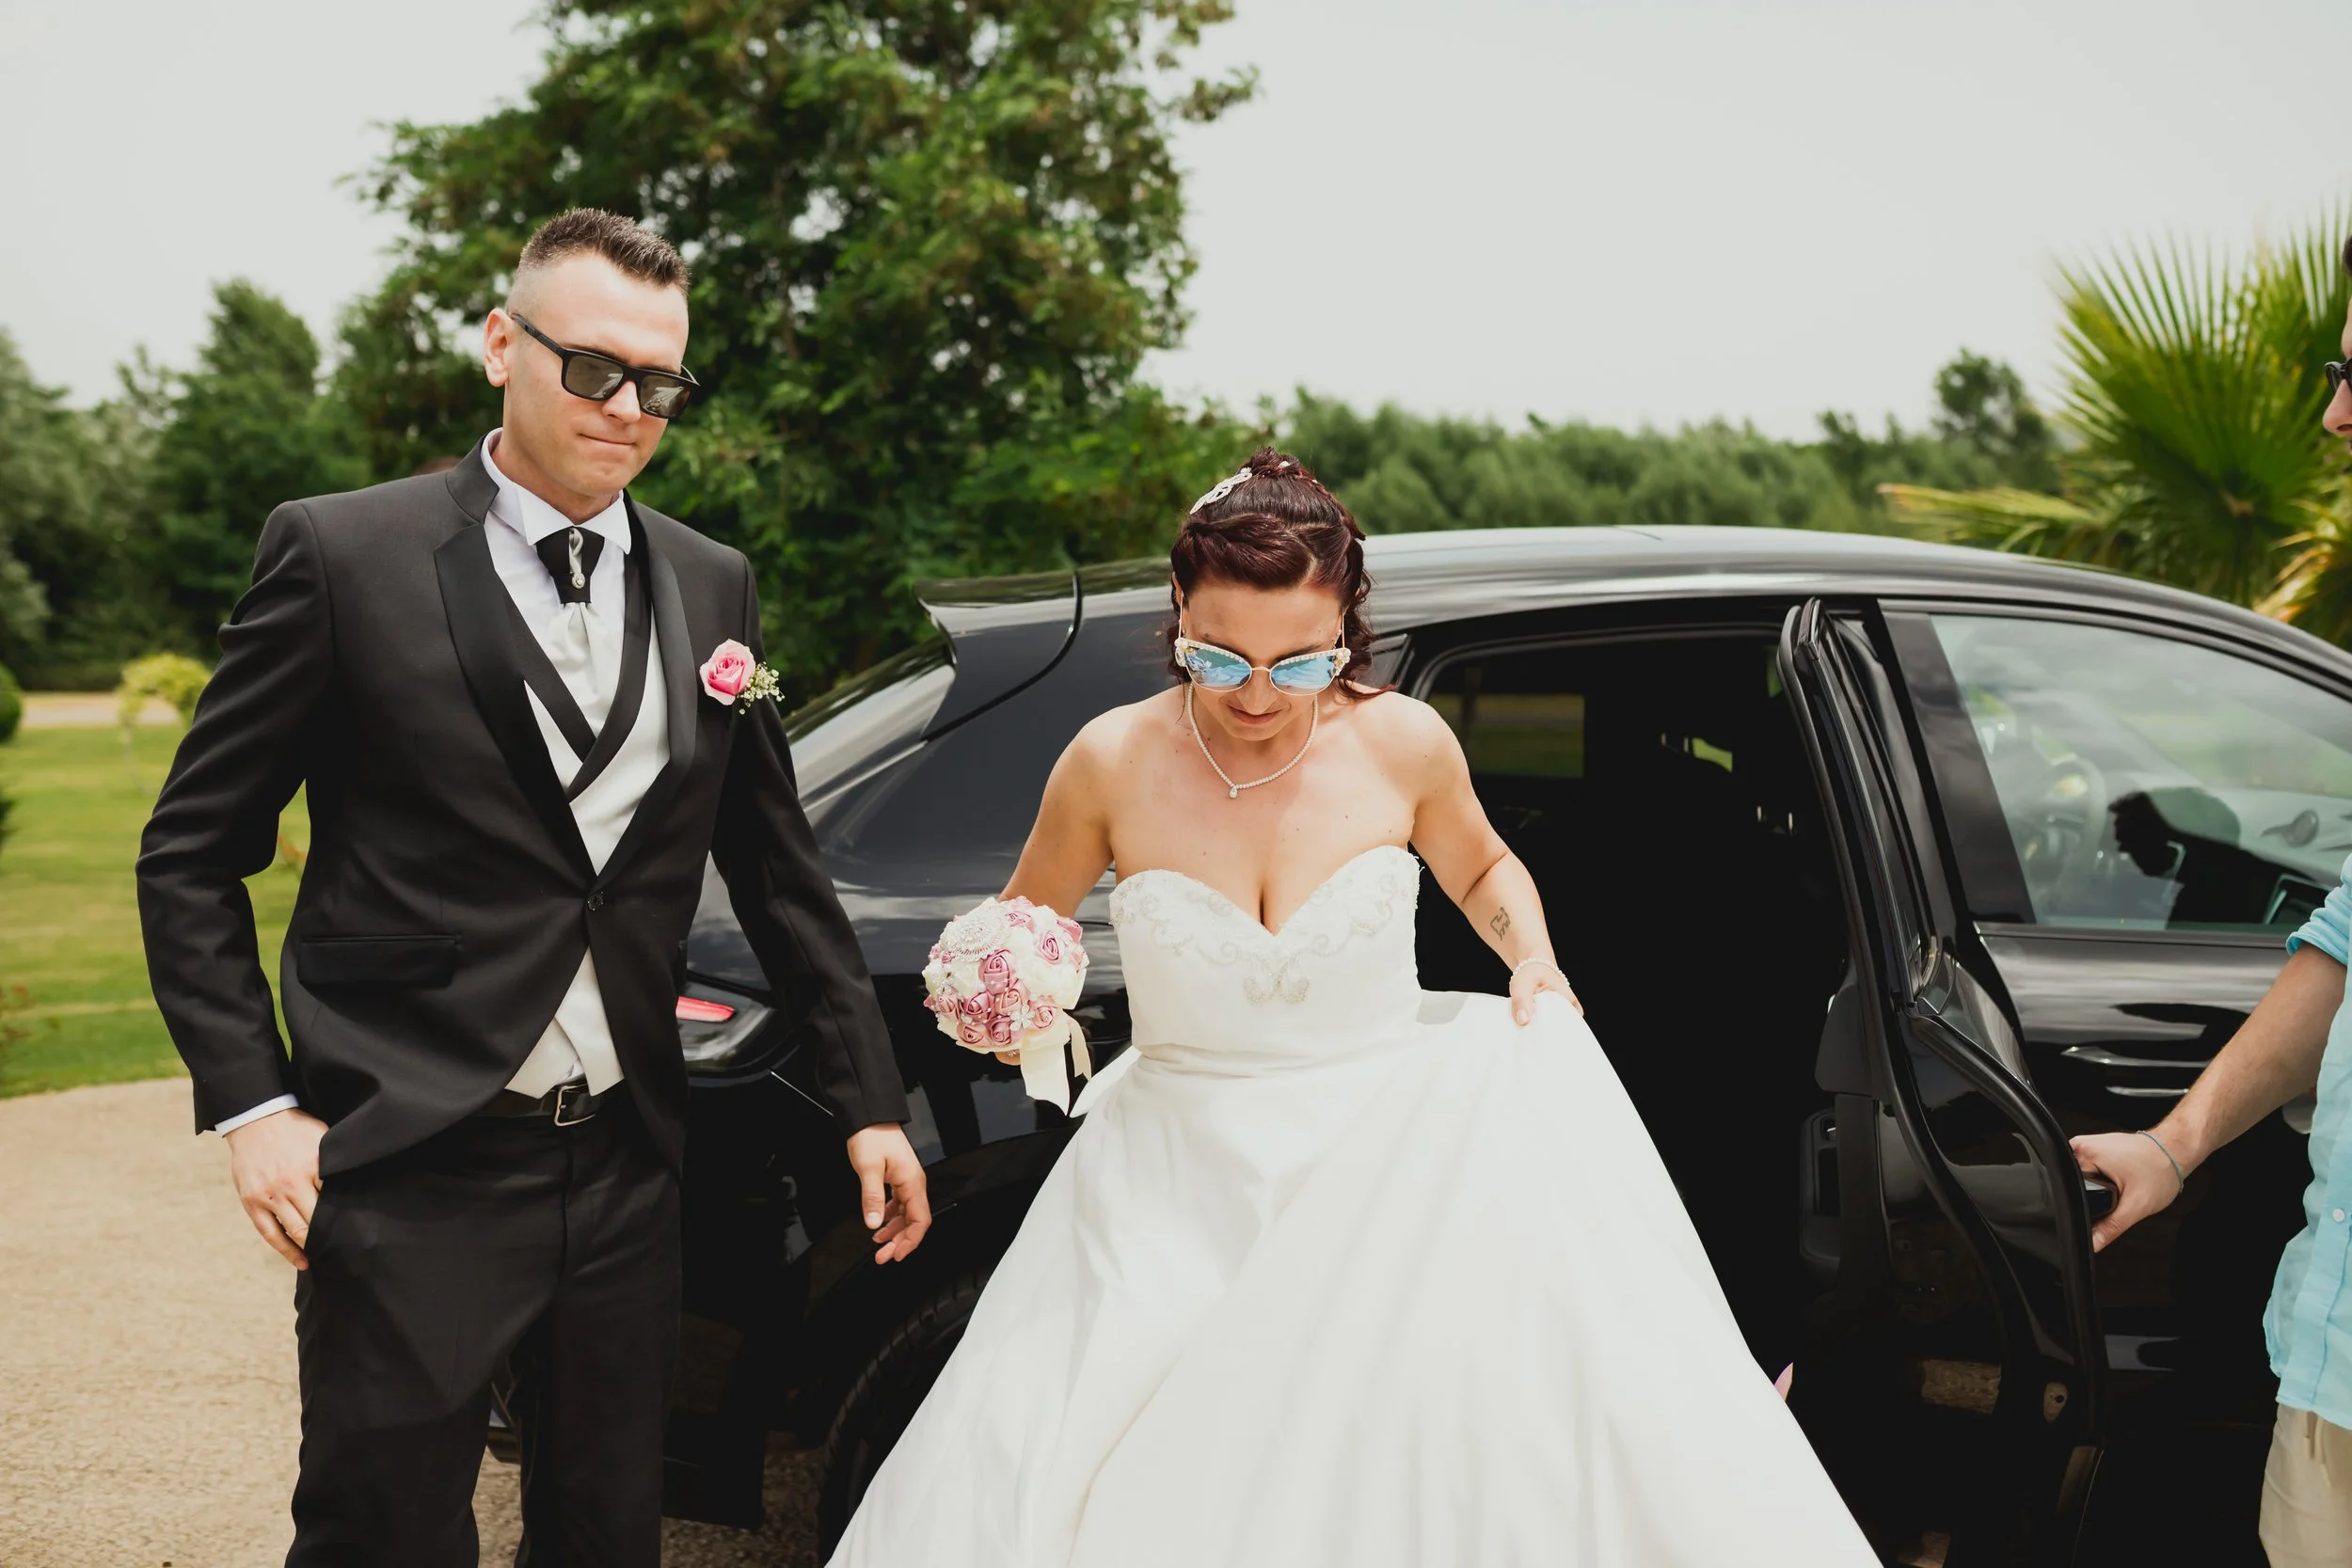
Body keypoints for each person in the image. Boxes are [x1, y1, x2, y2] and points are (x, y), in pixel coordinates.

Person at [825, 450, 1875, 1566]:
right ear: (1179, 608)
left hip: (1390, 1154)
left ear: (1345, 623)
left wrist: (1531, 960)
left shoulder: (1403, 741)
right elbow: (1024, 920)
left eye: (1300, 660)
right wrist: (1005, 997)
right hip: (1168, 1175)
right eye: (1218, 657)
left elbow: (1483, 867)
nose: (1258, 694)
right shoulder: (1109, 759)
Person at [135, 208, 930, 1567]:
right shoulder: (340, 555)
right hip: (411, 1153)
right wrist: (257, 1107)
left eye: (660, 383)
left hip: (627, 1159)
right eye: (595, 368)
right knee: (382, 1535)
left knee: (606, 1533)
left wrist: (868, 1100)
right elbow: (191, 850)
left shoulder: (712, 583)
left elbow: (780, 873)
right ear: (503, 344)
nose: (629, 409)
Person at [2073, 254, 2352, 1568]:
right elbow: (2343, 948)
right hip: (2329, 1366)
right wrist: (2173, 1145)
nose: (2334, 416)